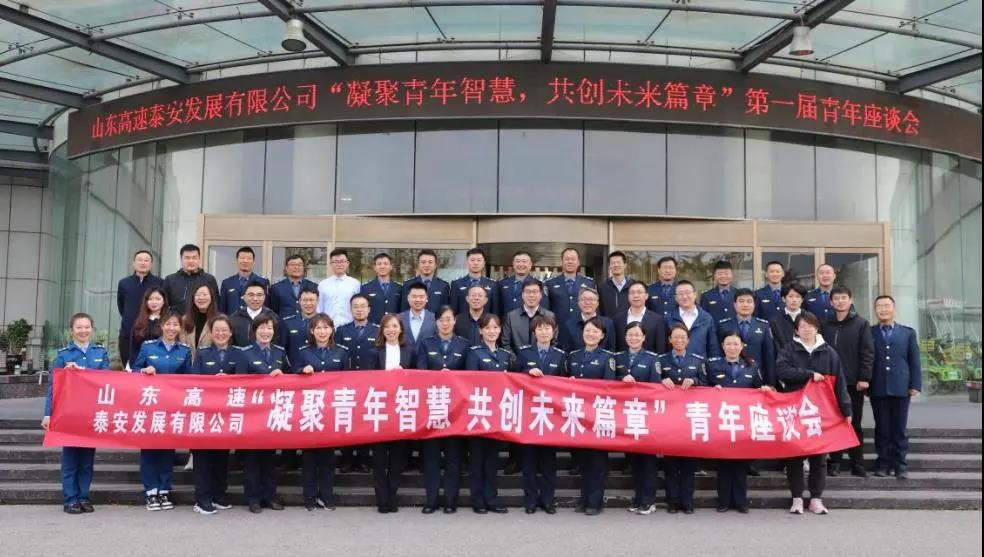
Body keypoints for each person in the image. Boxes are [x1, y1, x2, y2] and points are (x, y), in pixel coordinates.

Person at [776, 311, 852, 515]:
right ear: (796, 330)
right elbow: (782, 371)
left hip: (821, 411)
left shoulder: (829, 352)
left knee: (819, 457)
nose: (806, 329)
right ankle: (797, 498)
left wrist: (846, 408)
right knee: (794, 456)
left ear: (816, 328)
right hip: (794, 409)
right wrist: (808, 375)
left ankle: (816, 498)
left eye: (810, 326)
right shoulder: (788, 349)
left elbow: (840, 382)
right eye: (802, 326)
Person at [41, 313, 110, 515]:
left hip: (91, 414)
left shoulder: (100, 352)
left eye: (87, 327)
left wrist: (83, 372)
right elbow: (53, 387)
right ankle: (70, 499)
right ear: (72, 331)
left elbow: (107, 380)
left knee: (87, 461)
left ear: (92, 329)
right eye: (79, 327)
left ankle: (84, 497)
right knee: (71, 461)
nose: (83, 331)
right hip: (69, 414)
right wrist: (48, 414)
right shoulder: (63, 355)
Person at [707, 331, 773, 513]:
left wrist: (764, 389)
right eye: (728, 344)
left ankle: (741, 501)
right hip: (722, 420)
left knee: (740, 463)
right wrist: (712, 389)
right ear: (722, 346)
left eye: (736, 344)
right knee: (723, 463)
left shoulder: (751, 366)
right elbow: (703, 387)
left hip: (743, 422)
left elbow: (759, 387)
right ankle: (723, 501)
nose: (732, 347)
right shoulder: (713, 365)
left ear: (742, 346)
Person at [132, 310, 191, 512]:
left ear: (180, 328)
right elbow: (134, 372)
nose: (172, 328)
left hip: (172, 409)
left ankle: (164, 490)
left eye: (176, 325)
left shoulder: (185, 351)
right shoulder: (148, 347)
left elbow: (190, 379)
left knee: (167, 451)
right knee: (149, 451)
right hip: (150, 407)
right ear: (161, 326)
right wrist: (143, 371)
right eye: (168, 324)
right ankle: (150, 492)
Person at [415, 306, 470, 514]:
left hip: (455, 409)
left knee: (453, 457)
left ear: (454, 321)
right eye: (441, 320)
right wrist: (439, 376)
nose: (445, 323)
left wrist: (452, 377)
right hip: (432, 407)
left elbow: (470, 375)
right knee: (431, 458)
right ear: (436, 322)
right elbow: (420, 372)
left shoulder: (464, 344)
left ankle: (450, 500)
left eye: (449, 319)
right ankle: (431, 500)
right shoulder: (426, 343)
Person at [294, 314, 349, 511]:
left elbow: (349, 380)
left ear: (332, 330)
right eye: (318, 328)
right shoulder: (303, 352)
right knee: (309, 457)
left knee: (328, 457)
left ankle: (327, 496)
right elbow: (293, 373)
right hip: (310, 409)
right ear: (312, 331)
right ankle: (309, 497)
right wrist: (302, 370)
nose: (322, 331)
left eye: (326, 327)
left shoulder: (342, 352)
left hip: (331, 410)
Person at [233, 314, 287, 513]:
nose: (266, 332)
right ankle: (253, 498)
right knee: (252, 459)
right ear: (254, 331)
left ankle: (270, 496)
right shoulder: (244, 353)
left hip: (273, 413)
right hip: (252, 414)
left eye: (269, 328)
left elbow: (290, 379)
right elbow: (239, 382)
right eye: (261, 328)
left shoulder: (280, 352)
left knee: (269, 459)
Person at [515, 314, 566, 515]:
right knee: (529, 462)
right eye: (540, 329)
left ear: (553, 332)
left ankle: (547, 500)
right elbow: (513, 379)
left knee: (548, 462)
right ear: (534, 332)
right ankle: (530, 500)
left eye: (547, 328)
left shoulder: (560, 355)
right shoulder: (524, 353)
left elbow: (565, 383)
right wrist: (526, 375)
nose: (544, 332)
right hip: (529, 414)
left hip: (551, 415)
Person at [822, 286, 875, 478]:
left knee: (854, 423)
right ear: (831, 302)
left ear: (850, 300)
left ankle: (857, 463)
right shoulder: (824, 324)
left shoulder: (861, 323)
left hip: (853, 382)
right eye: (836, 298)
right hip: (829, 382)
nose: (840, 301)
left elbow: (867, 352)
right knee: (833, 422)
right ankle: (834, 461)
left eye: (844, 298)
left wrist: (864, 377)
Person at [567, 317, 616, 516]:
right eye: (587, 330)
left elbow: (609, 386)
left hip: (598, 415)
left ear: (602, 335)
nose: (590, 334)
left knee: (597, 461)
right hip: (578, 415)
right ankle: (584, 497)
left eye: (595, 331)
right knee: (584, 460)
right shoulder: (573, 356)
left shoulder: (607, 357)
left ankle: (595, 501)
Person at [464, 314, 512, 514]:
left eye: (495, 327)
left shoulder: (505, 355)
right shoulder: (474, 353)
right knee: (477, 459)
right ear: (481, 331)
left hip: (497, 414)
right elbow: (470, 383)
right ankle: (477, 500)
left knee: (492, 459)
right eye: (488, 328)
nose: (492, 331)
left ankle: (491, 498)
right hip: (478, 412)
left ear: (500, 330)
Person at [189, 315, 237, 515]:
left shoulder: (238, 354)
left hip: (226, 414)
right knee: (203, 458)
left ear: (231, 333)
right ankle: (202, 499)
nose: (220, 333)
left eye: (224, 330)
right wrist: (213, 382)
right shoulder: (202, 353)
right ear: (211, 332)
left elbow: (245, 380)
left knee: (221, 457)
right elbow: (194, 380)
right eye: (217, 330)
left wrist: (230, 380)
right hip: (205, 413)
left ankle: (218, 495)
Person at [870, 295, 921, 480]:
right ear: (875, 310)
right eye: (879, 306)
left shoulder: (908, 333)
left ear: (894, 308)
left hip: (901, 387)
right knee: (882, 428)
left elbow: (914, 360)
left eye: (886, 306)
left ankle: (900, 465)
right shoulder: (869, 332)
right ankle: (883, 463)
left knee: (899, 429)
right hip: (878, 386)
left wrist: (915, 384)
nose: (883, 309)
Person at [658, 324, 707, 514]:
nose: (679, 340)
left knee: (688, 465)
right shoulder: (661, 360)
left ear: (688, 340)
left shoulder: (697, 360)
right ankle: (672, 501)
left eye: (682, 337)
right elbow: (651, 381)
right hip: (668, 419)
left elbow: (707, 383)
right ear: (669, 340)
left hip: (689, 420)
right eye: (675, 337)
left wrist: (695, 381)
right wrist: (661, 381)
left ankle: (687, 502)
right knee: (670, 465)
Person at [615, 322, 661, 515]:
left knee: (647, 462)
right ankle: (638, 499)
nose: (633, 338)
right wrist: (621, 380)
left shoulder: (652, 359)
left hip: (645, 415)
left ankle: (649, 501)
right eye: (630, 335)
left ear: (643, 338)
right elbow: (608, 383)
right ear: (625, 337)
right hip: (625, 415)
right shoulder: (617, 358)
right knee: (633, 461)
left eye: (637, 335)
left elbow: (656, 387)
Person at [372, 314, 415, 513]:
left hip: (401, 408)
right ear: (382, 330)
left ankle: (392, 497)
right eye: (387, 327)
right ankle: (381, 499)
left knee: (397, 459)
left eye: (395, 326)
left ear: (401, 329)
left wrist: (404, 373)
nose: (391, 330)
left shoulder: (410, 351)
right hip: (379, 408)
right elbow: (366, 379)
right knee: (380, 459)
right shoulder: (374, 352)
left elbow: (417, 377)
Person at [334, 294, 378, 474]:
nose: (359, 309)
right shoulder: (342, 331)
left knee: (365, 421)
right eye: (355, 306)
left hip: (369, 384)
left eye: (363, 306)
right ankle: (346, 459)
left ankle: (364, 459)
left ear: (369, 309)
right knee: (347, 420)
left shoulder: (377, 330)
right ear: (351, 309)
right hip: (347, 383)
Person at [716, 288, 777, 386]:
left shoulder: (763, 325)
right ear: (734, 304)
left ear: (754, 305)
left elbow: (768, 356)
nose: (745, 305)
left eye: (749, 301)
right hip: (729, 377)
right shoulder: (723, 325)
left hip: (756, 377)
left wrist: (770, 383)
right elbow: (718, 353)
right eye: (741, 301)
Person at [117, 250, 163, 368]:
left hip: (152, 334)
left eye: (146, 260)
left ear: (151, 264)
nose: (143, 263)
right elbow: (121, 307)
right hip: (128, 333)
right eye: (140, 260)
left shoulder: (159, 282)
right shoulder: (124, 283)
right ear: (134, 263)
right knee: (130, 369)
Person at [665, 280, 719, 358]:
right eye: (680, 294)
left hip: (700, 364)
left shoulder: (707, 318)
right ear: (675, 298)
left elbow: (713, 347)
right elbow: (664, 346)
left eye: (687, 293)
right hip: (675, 364)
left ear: (695, 294)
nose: (684, 296)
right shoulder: (668, 318)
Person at [502, 277, 555, 353]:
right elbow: (505, 344)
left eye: (534, 292)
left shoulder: (549, 316)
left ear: (541, 295)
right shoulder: (511, 317)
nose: (531, 295)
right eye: (528, 292)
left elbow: (554, 342)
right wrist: (518, 359)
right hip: (517, 359)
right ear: (522, 295)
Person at [162, 244, 218, 315]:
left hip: (203, 320)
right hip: (177, 320)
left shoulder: (209, 279)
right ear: (181, 259)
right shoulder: (170, 280)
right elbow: (164, 304)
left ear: (199, 259)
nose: (191, 261)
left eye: (194, 258)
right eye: (187, 258)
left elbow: (215, 303)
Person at [613, 280, 667, 354]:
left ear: (646, 296)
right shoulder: (617, 319)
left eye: (639, 292)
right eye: (632, 293)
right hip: (622, 360)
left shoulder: (658, 320)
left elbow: (660, 348)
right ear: (628, 296)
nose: (636, 295)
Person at [545, 247, 595, 324]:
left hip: (582, 327)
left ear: (578, 262)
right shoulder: (550, 283)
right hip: (558, 328)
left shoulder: (589, 283)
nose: (570, 262)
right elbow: (546, 308)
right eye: (567, 259)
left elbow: (594, 307)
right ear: (562, 262)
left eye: (573, 259)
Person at [559, 286, 616, 352]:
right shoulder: (569, 325)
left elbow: (611, 349)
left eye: (591, 299)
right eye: (584, 299)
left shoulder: (608, 324)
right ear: (578, 303)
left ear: (598, 303)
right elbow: (567, 351)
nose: (587, 303)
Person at [317, 248, 361, 328]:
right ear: (331, 264)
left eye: (342, 261)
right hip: (328, 328)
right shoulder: (322, 285)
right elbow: (319, 308)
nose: (339, 264)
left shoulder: (355, 284)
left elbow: (359, 307)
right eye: (336, 262)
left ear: (347, 263)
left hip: (350, 327)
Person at [218, 247, 268, 315]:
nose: (245, 261)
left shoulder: (262, 282)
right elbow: (222, 309)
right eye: (242, 258)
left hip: (255, 320)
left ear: (253, 262)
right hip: (232, 320)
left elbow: (266, 307)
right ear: (237, 260)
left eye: (248, 258)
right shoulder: (227, 283)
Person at [498, 250, 548, 318]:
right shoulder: (502, 283)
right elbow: (497, 308)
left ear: (530, 265)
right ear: (513, 264)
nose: (521, 264)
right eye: (518, 261)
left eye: (524, 261)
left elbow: (544, 309)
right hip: (507, 323)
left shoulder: (539, 285)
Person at [450, 247, 499, 316]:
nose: (476, 263)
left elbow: (495, 311)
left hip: (486, 322)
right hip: (463, 322)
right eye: (472, 260)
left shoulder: (493, 284)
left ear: (484, 263)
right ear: (467, 263)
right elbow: (453, 310)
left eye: (479, 260)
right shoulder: (456, 284)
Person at [280, 286, 320, 369]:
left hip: (318, 371)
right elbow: (282, 349)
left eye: (311, 300)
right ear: (299, 301)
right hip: (294, 371)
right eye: (305, 300)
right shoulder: (288, 323)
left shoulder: (324, 322)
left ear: (318, 301)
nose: (308, 304)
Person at [229, 281, 278, 347]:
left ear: (264, 297)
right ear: (244, 297)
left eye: (259, 295)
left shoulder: (273, 317)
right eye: (251, 295)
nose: (255, 299)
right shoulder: (234, 318)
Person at [268, 254, 318, 319]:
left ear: (304, 268)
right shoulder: (276, 288)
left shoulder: (313, 286)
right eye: (293, 265)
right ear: (286, 268)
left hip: (308, 323)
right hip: (284, 324)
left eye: (299, 265)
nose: (296, 267)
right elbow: (274, 311)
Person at [401, 249, 450, 314]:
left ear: (435, 265)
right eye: (423, 262)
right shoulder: (407, 285)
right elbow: (403, 311)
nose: (427, 265)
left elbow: (445, 311)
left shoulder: (444, 286)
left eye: (430, 262)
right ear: (418, 264)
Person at [128, 287, 167, 367]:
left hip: (163, 366)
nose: (154, 302)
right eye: (150, 299)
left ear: (164, 301)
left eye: (157, 299)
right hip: (142, 366)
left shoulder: (168, 321)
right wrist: (136, 367)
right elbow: (134, 348)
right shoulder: (139, 321)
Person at [360, 252, 403, 324]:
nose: (382, 266)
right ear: (375, 267)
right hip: (373, 328)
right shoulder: (365, 288)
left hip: (393, 328)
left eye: (385, 264)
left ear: (391, 266)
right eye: (379, 264)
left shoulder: (399, 288)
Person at [179, 283, 218, 359]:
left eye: (205, 294)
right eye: (198, 295)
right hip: (188, 363)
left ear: (211, 297)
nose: (201, 297)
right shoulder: (184, 320)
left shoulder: (218, 320)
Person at [770, 282, 807, 350]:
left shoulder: (809, 319)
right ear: (783, 299)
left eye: (798, 296)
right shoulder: (775, 321)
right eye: (790, 296)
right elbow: (775, 345)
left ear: (802, 300)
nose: (794, 300)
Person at [399, 282, 436, 347]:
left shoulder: (434, 319)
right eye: (414, 296)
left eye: (421, 297)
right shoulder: (399, 318)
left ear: (427, 298)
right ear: (408, 298)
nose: (418, 300)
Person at [599, 250, 630, 318]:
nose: (616, 265)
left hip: (630, 324)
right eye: (613, 263)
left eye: (618, 262)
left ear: (625, 265)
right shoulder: (603, 287)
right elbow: (600, 310)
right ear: (609, 266)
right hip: (609, 324)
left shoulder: (633, 286)